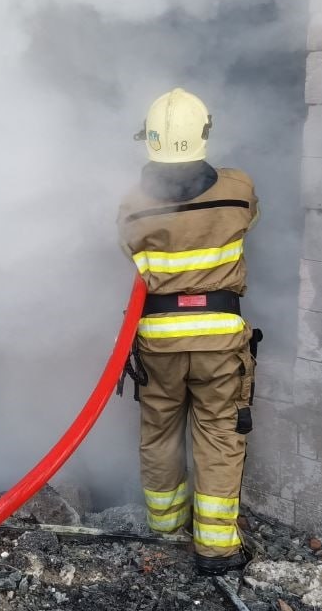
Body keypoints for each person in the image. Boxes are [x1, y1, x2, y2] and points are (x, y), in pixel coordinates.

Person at [116, 87, 259, 575]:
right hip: (221, 341)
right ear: (203, 133)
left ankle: (166, 526)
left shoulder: (132, 206)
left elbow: (129, 251)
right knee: (219, 431)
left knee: (160, 431)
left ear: (149, 139)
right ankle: (217, 549)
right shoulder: (238, 188)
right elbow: (249, 219)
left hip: (159, 341)